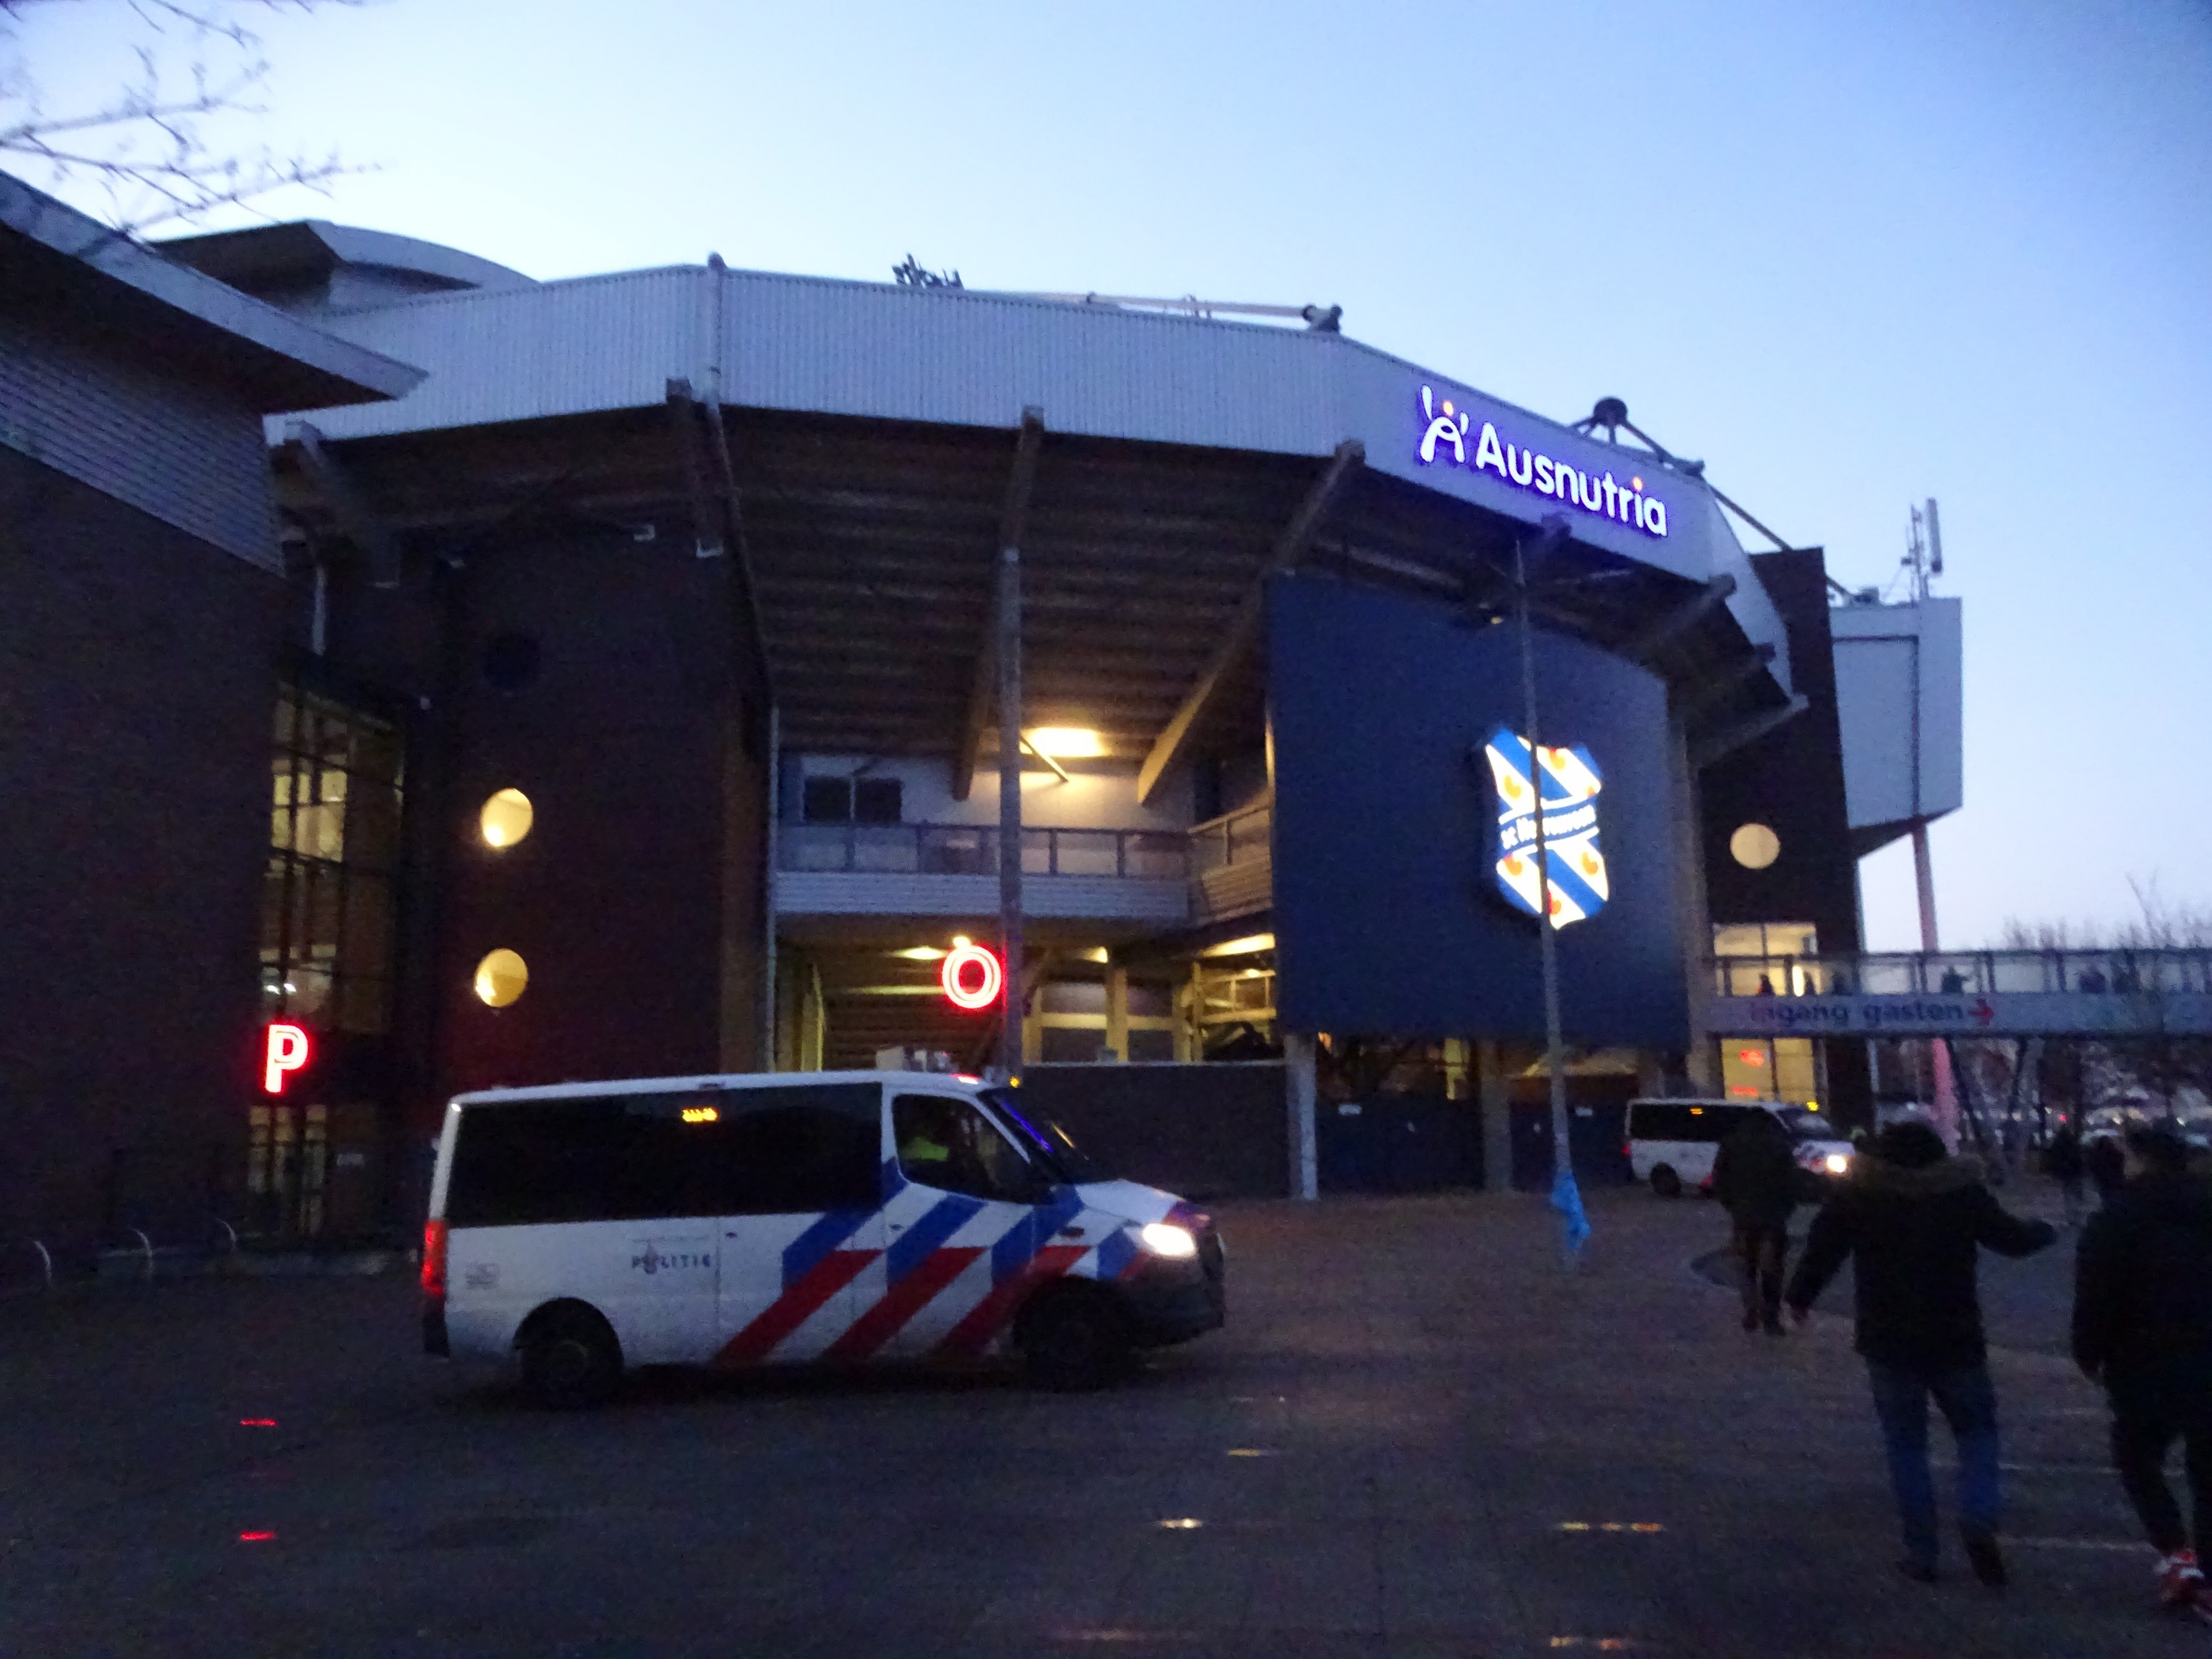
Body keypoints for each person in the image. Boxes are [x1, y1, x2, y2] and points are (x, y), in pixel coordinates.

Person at [1785, 1120, 2056, 1586]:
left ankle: (1922, 1553)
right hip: (1956, 1335)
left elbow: (1823, 1249)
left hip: (1888, 1339)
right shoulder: (1960, 1192)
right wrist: (2044, 1231)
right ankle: (1978, 1517)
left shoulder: (1861, 1193)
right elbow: (2010, 1239)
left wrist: (1799, 1298)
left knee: (1907, 1446)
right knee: (1977, 1434)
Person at [2071, 1124, 2212, 1621]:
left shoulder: (2117, 1220)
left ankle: (2178, 1555)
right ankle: (2206, 1578)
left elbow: (2096, 1296)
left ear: (2140, 1160)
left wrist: (2087, 1352)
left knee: (2137, 1458)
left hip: (2143, 1363)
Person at [1712, 1109, 1804, 1335]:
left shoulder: (1731, 1144)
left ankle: (1751, 1311)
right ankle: (1771, 1318)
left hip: (1743, 1219)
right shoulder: (1779, 1145)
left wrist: (1732, 1207)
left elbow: (1719, 1180)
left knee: (1746, 1267)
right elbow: (1792, 1184)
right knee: (1772, 1269)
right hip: (1773, 1220)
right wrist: (1785, 1211)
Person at [2045, 1123, 2086, 1228]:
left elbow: (2054, 1157)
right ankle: (2077, 1216)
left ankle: (2071, 1217)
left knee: (2068, 1194)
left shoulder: (2058, 1143)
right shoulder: (2072, 1143)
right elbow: (2078, 1157)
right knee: (2076, 1193)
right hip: (2074, 1172)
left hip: (2066, 1172)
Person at [2088, 1133, 2128, 1208]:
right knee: (2117, 1198)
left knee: (2106, 1198)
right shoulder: (2116, 1153)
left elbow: (2092, 1166)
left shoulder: (2096, 1154)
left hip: (2103, 1180)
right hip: (2116, 1179)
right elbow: (2121, 1162)